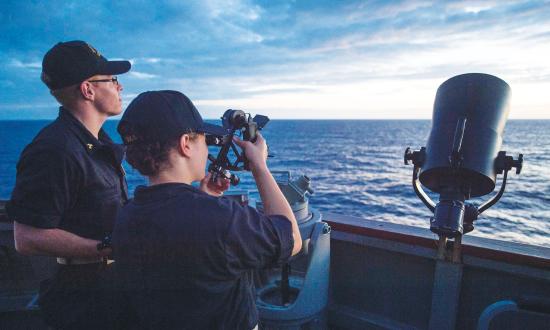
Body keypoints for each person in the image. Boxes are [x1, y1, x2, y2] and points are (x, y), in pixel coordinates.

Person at [113, 90, 302, 330]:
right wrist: (259, 167)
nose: (207, 149)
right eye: (203, 139)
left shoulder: (128, 215)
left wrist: (203, 198)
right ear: (186, 145)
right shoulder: (221, 220)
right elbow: (291, 239)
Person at [6, 40, 131, 329]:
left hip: (108, 289)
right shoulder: (55, 149)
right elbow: (27, 238)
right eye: (112, 80)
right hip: (84, 301)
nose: (119, 87)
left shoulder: (94, 142)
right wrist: (109, 248)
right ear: (88, 90)